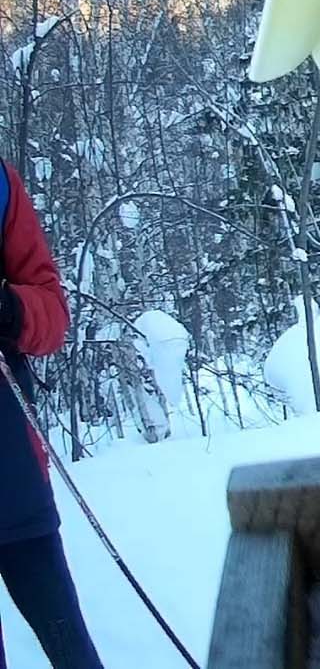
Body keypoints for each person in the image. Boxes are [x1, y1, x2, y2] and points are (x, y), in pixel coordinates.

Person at [0, 158, 102, 669]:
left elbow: (52, 314)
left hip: (12, 480)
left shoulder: (0, 185)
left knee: (74, 654)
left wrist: (12, 310)